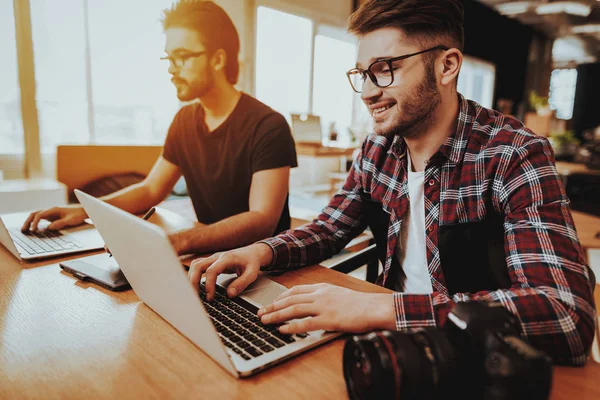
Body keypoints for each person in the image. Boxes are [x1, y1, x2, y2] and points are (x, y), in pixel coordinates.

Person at [188, 0, 595, 365]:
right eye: (363, 74)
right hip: (388, 350)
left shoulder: (514, 154)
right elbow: (330, 228)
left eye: (385, 70)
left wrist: (379, 309)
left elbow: (565, 314)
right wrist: (261, 251)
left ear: (447, 65)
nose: (367, 92)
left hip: (477, 358)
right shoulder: (377, 148)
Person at [22, 1, 298, 255]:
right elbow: (151, 189)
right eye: (169, 58)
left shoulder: (268, 126)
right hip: (210, 257)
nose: (172, 69)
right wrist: (83, 210)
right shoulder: (184, 122)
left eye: (182, 57)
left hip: (266, 265)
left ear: (217, 59)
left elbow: (262, 220)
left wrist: (180, 240)